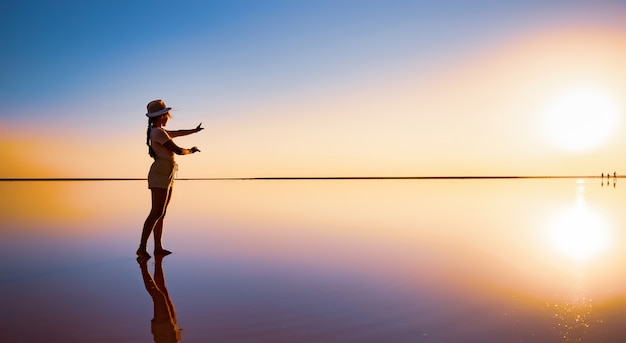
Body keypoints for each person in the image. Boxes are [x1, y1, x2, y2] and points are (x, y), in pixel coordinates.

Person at [137, 99, 203, 259]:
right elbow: (178, 150)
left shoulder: (158, 131)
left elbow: (178, 132)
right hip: (160, 171)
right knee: (156, 211)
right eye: (167, 115)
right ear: (161, 116)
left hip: (167, 171)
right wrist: (191, 150)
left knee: (161, 212)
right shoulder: (158, 132)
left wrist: (194, 131)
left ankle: (158, 247)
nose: (169, 118)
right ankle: (142, 248)